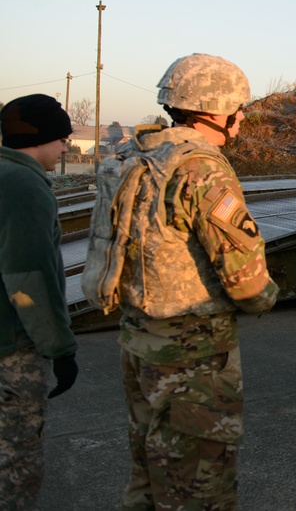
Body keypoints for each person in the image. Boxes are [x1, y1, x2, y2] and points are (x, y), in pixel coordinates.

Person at [82, 53, 280, 510]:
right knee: (198, 488)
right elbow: (249, 283)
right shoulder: (201, 168)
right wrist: (266, 295)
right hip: (192, 358)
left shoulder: (136, 156)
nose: (243, 116)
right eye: (239, 107)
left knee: (149, 477)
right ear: (217, 110)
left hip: (138, 341)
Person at [0, 94, 79, 508]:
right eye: (63, 139)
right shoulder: (24, 185)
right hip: (10, 351)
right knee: (14, 466)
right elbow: (27, 280)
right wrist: (59, 348)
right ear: (42, 138)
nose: (67, 148)